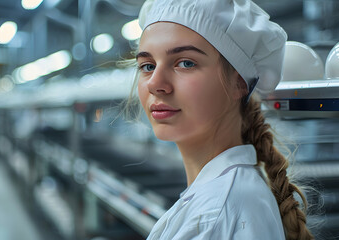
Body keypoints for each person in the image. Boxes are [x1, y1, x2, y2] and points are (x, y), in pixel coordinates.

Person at [128, 0, 314, 239]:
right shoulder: (228, 197)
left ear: (239, 83)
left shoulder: (214, 218)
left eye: (185, 63)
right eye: (147, 65)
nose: (154, 83)